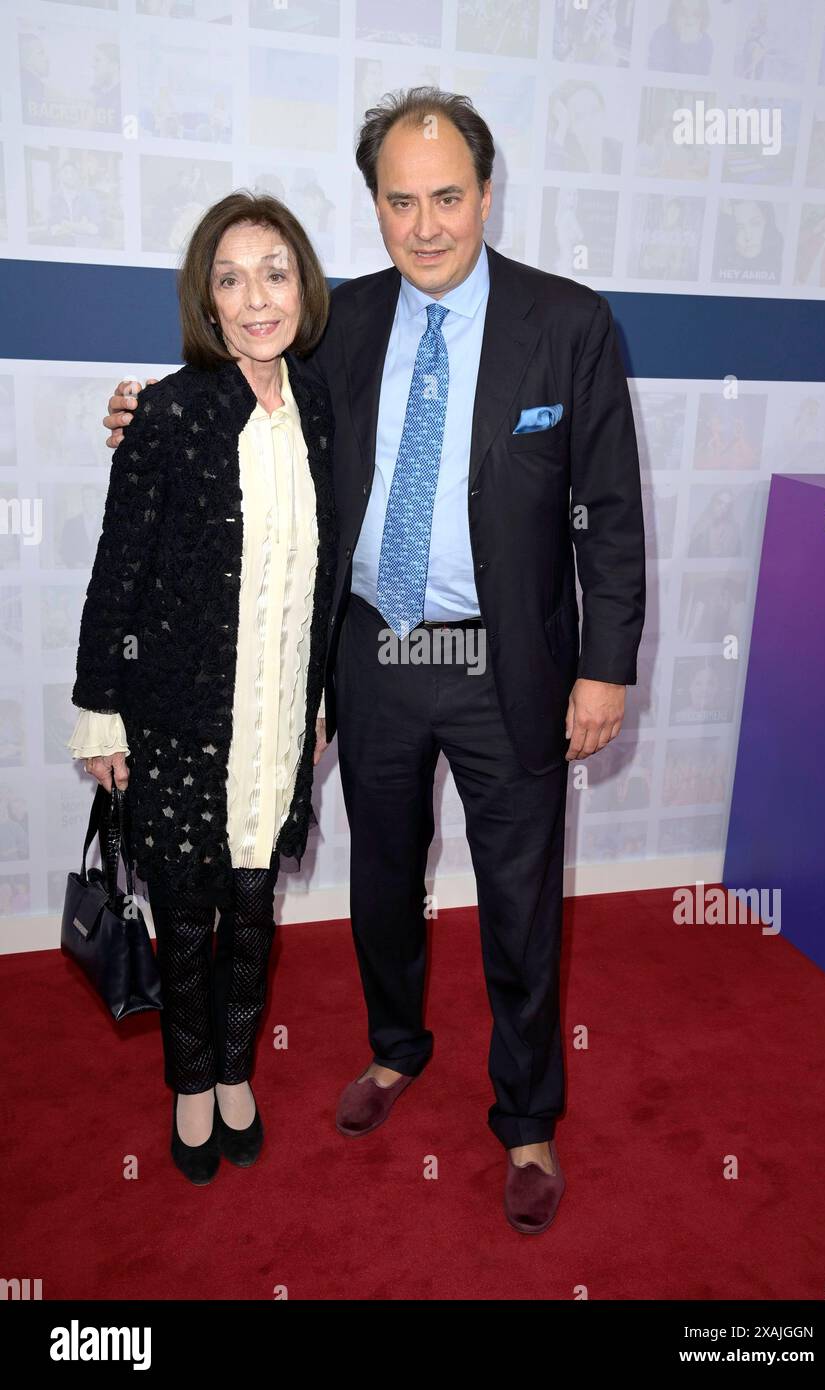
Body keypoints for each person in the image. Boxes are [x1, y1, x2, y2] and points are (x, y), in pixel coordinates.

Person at [104, 87, 646, 1234]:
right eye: (401, 201)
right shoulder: (338, 322)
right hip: (374, 658)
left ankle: (528, 1116)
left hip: (515, 674)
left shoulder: (571, 324)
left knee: (520, 905)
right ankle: (396, 1050)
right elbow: (238, 391)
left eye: (449, 197)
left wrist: (606, 667)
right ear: (376, 207)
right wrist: (144, 414)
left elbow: (610, 505)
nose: (428, 224)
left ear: (488, 194)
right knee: (380, 887)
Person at [72, 190, 336, 1184]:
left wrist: (320, 705)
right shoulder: (172, 414)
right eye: (230, 278)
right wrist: (101, 707)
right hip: (182, 718)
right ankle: (190, 1083)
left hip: (280, 721)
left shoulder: (325, 409)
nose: (256, 295)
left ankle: (236, 1069)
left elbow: (326, 576)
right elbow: (118, 572)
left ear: (303, 286)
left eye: (274, 271)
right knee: (187, 914)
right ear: (207, 300)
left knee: (254, 909)